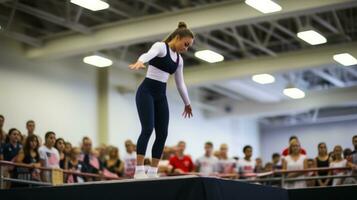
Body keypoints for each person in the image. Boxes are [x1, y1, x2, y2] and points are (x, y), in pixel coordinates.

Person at [129, 21, 194, 179]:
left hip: (160, 96)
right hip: (146, 92)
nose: (185, 49)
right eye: (185, 44)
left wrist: (187, 103)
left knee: (163, 133)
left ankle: (152, 171)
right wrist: (141, 61)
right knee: (148, 129)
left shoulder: (179, 60)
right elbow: (148, 55)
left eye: (188, 47)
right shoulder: (160, 47)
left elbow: (180, 83)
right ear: (177, 37)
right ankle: (139, 170)